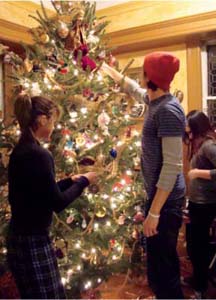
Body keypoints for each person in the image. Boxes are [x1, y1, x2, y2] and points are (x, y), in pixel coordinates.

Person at [102, 52, 186, 299]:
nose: (141, 75)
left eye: (145, 70)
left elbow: (172, 166)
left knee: (164, 268)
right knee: (156, 266)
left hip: (167, 201)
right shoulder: (154, 100)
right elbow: (132, 87)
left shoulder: (169, 110)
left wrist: (154, 213)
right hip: (158, 197)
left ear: (151, 75)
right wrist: (106, 68)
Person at [6, 94, 97, 299]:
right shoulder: (39, 154)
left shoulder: (22, 150)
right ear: (42, 119)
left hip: (20, 237)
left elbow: (39, 193)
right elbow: (57, 202)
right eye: (53, 120)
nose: (54, 126)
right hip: (33, 241)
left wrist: (69, 181)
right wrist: (85, 181)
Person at [184, 110, 216, 298]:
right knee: (192, 245)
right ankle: (197, 278)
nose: (187, 131)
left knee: (199, 247)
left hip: (206, 204)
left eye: (189, 127)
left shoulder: (209, 146)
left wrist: (198, 173)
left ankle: (201, 287)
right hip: (196, 202)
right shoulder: (197, 144)